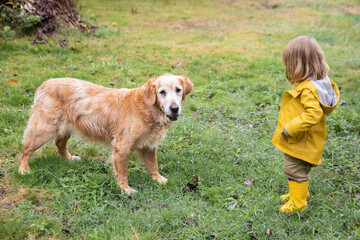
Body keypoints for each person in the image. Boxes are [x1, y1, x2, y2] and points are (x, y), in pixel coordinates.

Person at [272, 36, 339, 213]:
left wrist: (290, 128)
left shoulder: (309, 88)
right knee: (299, 168)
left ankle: (298, 202)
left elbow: (314, 114)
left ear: (298, 65)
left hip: (301, 139)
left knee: (293, 169)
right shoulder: (319, 83)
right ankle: (300, 192)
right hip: (308, 140)